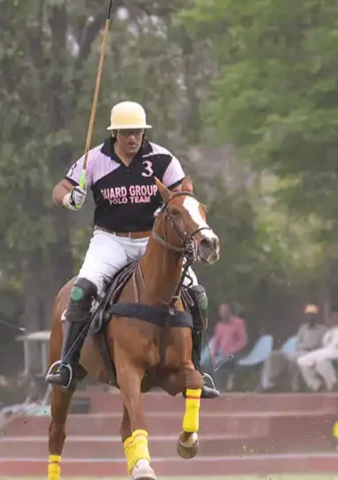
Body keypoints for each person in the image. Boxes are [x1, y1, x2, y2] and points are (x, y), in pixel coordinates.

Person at [43, 100, 220, 398]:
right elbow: (60, 188)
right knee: (82, 290)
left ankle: (199, 369)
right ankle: (68, 364)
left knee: (198, 297)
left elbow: (184, 197)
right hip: (110, 240)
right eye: (126, 132)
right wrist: (68, 198)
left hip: (153, 241)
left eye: (137, 132)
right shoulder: (95, 159)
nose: (133, 138)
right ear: (114, 134)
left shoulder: (163, 159)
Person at [260, 303, 328, 392]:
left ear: (316, 316)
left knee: (298, 361)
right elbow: (298, 344)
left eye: (312, 315)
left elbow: (324, 347)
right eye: (308, 315)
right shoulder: (302, 328)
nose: (310, 317)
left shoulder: (323, 330)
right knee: (274, 355)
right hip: (297, 352)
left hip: (311, 354)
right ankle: (268, 385)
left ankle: (305, 386)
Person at [296, 306, 338, 391]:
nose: (334, 317)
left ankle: (333, 384)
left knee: (318, 359)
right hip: (327, 351)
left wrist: (334, 330)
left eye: (336, 315)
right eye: (333, 315)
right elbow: (325, 342)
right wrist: (331, 329)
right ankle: (317, 385)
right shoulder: (334, 327)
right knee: (303, 361)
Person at [207, 303, 248, 390]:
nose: (224, 313)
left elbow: (243, 341)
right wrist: (213, 355)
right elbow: (216, 343)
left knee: (221, 362)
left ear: (229, 311)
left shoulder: (238, 323)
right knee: (212, 362)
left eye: (225, 311)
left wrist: (233, 349)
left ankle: (228, 385)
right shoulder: (219, 326)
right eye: (222, 312)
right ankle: (219, 388)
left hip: (236, 353)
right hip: (222, 354)